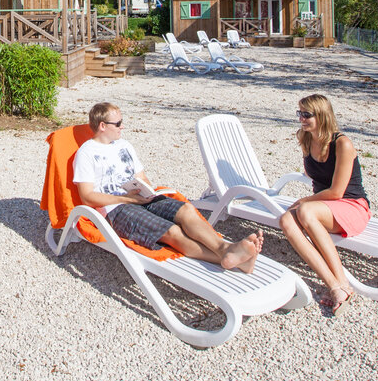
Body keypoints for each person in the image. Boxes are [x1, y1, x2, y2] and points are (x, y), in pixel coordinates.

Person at [73, 102, 263, 272]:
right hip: (117, 207)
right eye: (118, 123)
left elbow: (141, 176)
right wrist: (128, 198)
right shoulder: (86, 153)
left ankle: (226, 250)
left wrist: (146, 191)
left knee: (187, 210)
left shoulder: (124, 145)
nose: (122, 126)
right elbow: (87, 196)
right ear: (102, 126)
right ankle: (230, 258)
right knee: (172, 231)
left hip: (141, 197)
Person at [280, 94, 371, 314]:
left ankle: (341, 284)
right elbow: (316, 179)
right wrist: (305, 204)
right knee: (285, 220)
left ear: (321, 115)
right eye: (299, 113)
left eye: (306, 114)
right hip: (322, 207)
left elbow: (337, 191)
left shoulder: (342, 143)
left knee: (304, 210)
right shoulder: (306, 138)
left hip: (351, 206)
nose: (301, 118)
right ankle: (334, 284)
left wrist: (303, 201)